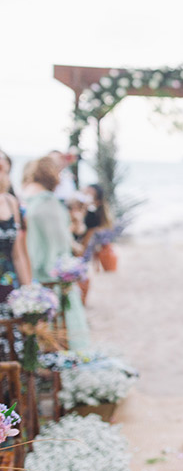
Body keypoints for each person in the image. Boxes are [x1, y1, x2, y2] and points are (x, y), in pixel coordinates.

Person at [24, 156, 90, 350]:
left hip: (30, 270)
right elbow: (60, 242)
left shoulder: (26, 196)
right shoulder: (47, 202)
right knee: (62, 320)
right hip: (49, 273)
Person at [0, 149, 31, 303]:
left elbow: (18, 255)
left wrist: (29, 296)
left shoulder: (11, 202)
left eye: (5, 170)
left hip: (9, 287)